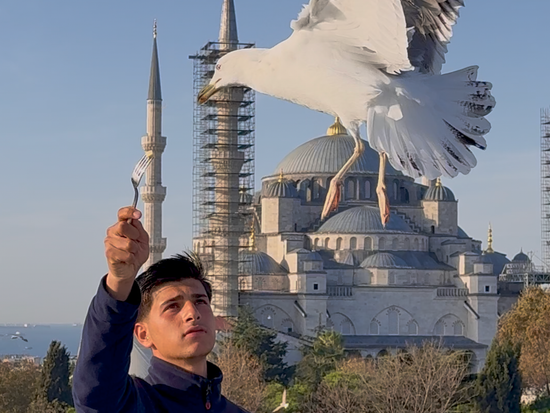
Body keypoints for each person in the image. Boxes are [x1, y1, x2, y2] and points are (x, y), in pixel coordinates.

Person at [72, 207, 249, 412]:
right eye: (173, 306)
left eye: (200, 301)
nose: (192, 313)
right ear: (143, 334)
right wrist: (120, 281)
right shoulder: (136, 405)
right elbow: (96, 391)